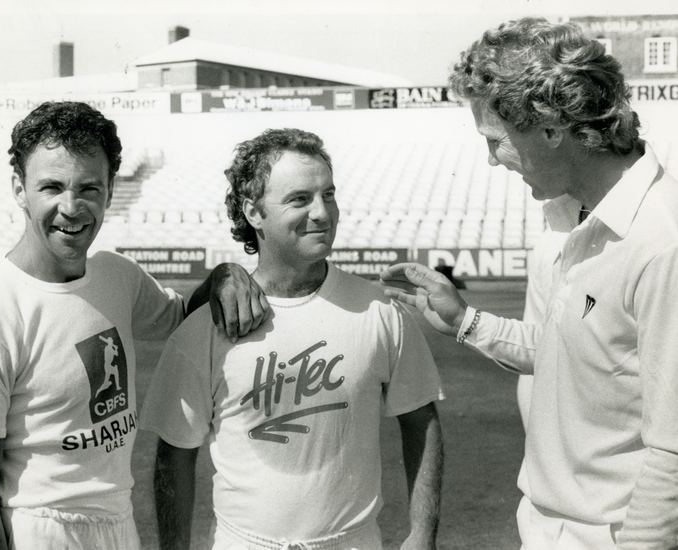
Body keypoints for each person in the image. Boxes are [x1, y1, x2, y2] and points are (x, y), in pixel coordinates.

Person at [381, 18, 678, 550]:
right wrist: (465, 321)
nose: (491, 160)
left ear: (548, 127)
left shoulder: (663, 241)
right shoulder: (567, 219)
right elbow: (569, 351)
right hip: (545, 525)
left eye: (496, 141)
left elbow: (673, 452)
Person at [0, 101, 268, 550]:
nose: (71, 208)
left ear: (111, 191)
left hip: (119, 521)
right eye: (51, 187)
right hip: (41, 529)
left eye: (89, 188)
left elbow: (183, 319)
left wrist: (223, 274)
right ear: (20, 189)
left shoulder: (118, 276)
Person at [141, 128, 444, 550]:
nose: (322, 213)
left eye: (329, 195)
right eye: (300, 199)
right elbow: (174, 455)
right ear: (253, 212)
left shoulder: (379, 311)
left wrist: (422, 533)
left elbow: (421, 420)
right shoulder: (207, 327)